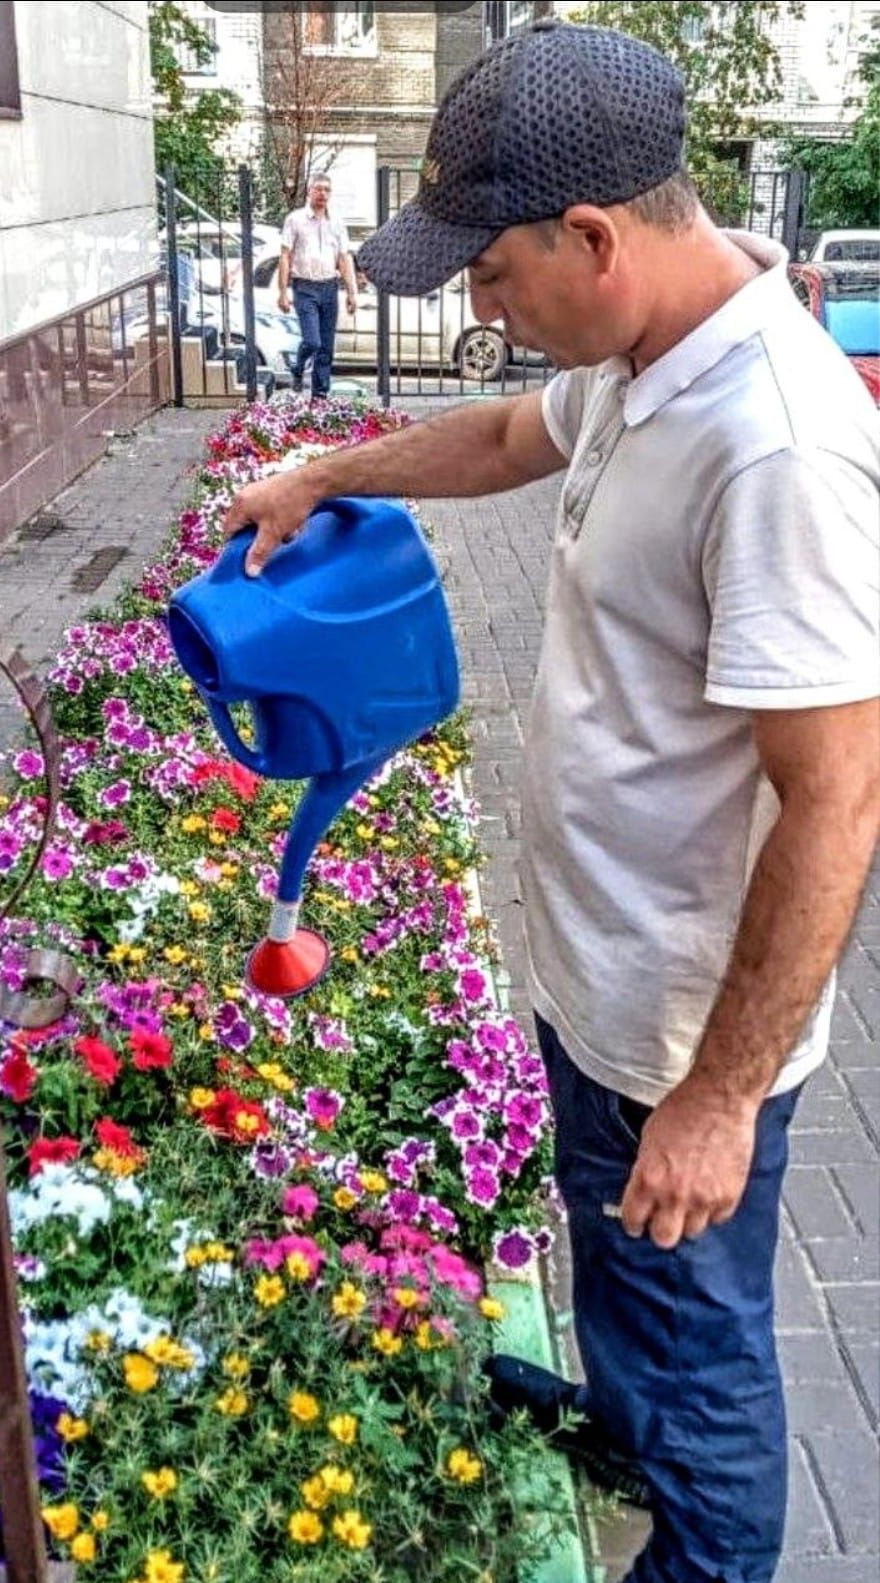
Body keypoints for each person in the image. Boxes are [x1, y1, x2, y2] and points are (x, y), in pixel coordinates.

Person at [223, 20, 880, 1583]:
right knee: (626, 1282)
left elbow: (839, 801)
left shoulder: (777, 448)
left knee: (705, 1362)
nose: (480, 306)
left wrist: (717, 1100)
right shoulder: (645, 357)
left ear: (594, 238)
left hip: (680, 1044)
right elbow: (519, 433)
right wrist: (332, 468)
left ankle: (695, 1537)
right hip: (603, 996)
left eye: (492, 271)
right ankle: (623, 1424)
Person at [278, 172, 358, 398]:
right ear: (309, 191)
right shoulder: (295, 220)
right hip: (304, 287)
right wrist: (282, 292)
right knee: (312, 341)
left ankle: (320, 397)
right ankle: (297, 365)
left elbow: (344, 258)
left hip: (329, 287)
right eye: (318, 188)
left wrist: (352, 292)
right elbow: (285, 255)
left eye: (327, 189)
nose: (323, 193)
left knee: (326, 347)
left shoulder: (338, 222)